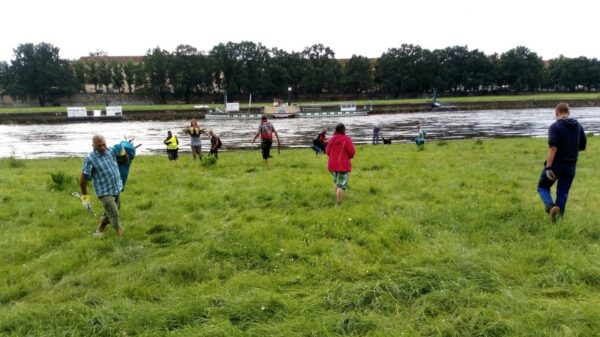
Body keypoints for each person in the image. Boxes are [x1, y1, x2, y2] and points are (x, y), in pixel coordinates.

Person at [537, 103, 587, 222]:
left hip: (556, 165)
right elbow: (582, 146)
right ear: (568, 113)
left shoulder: (555, 127)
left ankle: (551, 207)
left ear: (556, 113)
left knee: (542, 187)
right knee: (563, 192)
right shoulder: (578, 126)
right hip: (571, 166)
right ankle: (558, 220)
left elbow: (553, 148)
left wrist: (548, 168)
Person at [80, 135, 125, 237]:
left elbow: (125, 160)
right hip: (104, 192)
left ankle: (99, 231)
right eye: (99, 146)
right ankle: (121, 238)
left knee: (109, 212)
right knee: (114, 213)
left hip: (116, 188)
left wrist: (123, 150)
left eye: (104, 144)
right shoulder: (90, 159)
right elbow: (83, 179)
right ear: (93, 146)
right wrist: (85, 198)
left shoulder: (111, 151)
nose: (103, 148)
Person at [326, 123, 356, 204]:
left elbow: (327, 151)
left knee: (336, 181)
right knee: (341, 185)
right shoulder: (346, 139)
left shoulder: (332, 139)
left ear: (335, 130)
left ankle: (337, 197)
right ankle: (339, 203)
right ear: (344, 130)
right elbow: (352, 152)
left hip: (332, 165)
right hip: (342, 165)